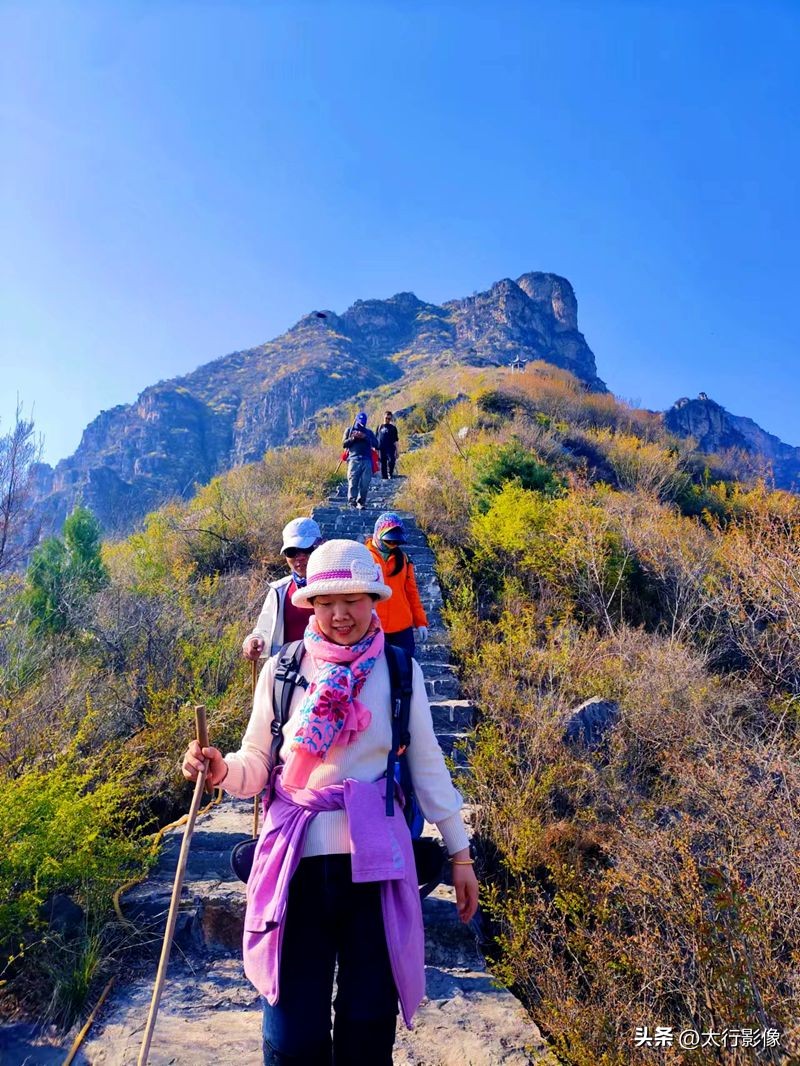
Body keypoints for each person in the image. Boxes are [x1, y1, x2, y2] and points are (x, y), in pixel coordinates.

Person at [182, 539, 478, 1066]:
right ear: (310, 605)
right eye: (325, 602)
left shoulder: (401, 673)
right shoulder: (283, 671)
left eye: (352, 600)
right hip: (294, 868)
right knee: (294, 1034)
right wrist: (221, 768)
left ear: (372, 599)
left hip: (376, 872)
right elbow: (256, 761)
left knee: (367, 1032)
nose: (340, 614)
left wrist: (460, 856)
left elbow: (429, 770)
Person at [242, 517, 323, 660]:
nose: (300, 557)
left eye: (306, 549)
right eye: (291, 552)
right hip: (287, 673)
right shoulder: (279, 591)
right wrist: (254, 640)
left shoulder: (337, 588)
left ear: (319, 547)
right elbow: (263, 631)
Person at [366, 512, 428, 660]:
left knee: (404, 674)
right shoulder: (363, 557)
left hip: (402, 629)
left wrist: (420, 622)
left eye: (396, 542)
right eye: (389, 541)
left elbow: (412, 593)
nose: (393, 545)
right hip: (372, 627)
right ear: (377, 535)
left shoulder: (405, 560)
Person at [342, 411, 379, 509]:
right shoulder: (349, 430)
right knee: (353, 482)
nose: (362, 423)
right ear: (356, 420)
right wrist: (353, 438)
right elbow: (344, 444)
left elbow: (376, 444)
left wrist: (365, 437)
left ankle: (361, 502)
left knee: (365, 483)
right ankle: (352, 502)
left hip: (367, 460)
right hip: (353, 459)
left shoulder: (369, 432)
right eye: (360, 421)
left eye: (364, 421)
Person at [377, 410, 400, 480]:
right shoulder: (379, 427)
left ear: (391, 419)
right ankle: (384, 478)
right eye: (386, 418)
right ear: (383, 417)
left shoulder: (393, 428)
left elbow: (396, 440)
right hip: (381, 448)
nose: (387, 420)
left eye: (389, 418)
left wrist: (397, 451)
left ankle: (390, 473)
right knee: (382, 463)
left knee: (392, 461)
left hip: (390, 448)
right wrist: (375, 449)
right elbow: (376, 438)